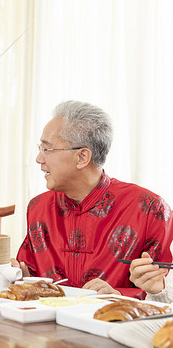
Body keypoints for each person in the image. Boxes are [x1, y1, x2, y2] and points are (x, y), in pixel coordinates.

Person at [12, 100, 173, 298]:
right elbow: (29, 274)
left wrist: (117, 295)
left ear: (82, 157)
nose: (39, 158)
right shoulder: (38, 206)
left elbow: (162, 292)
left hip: (113, 325)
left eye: (47, 149)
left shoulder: (148, 208)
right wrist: (19, 275)